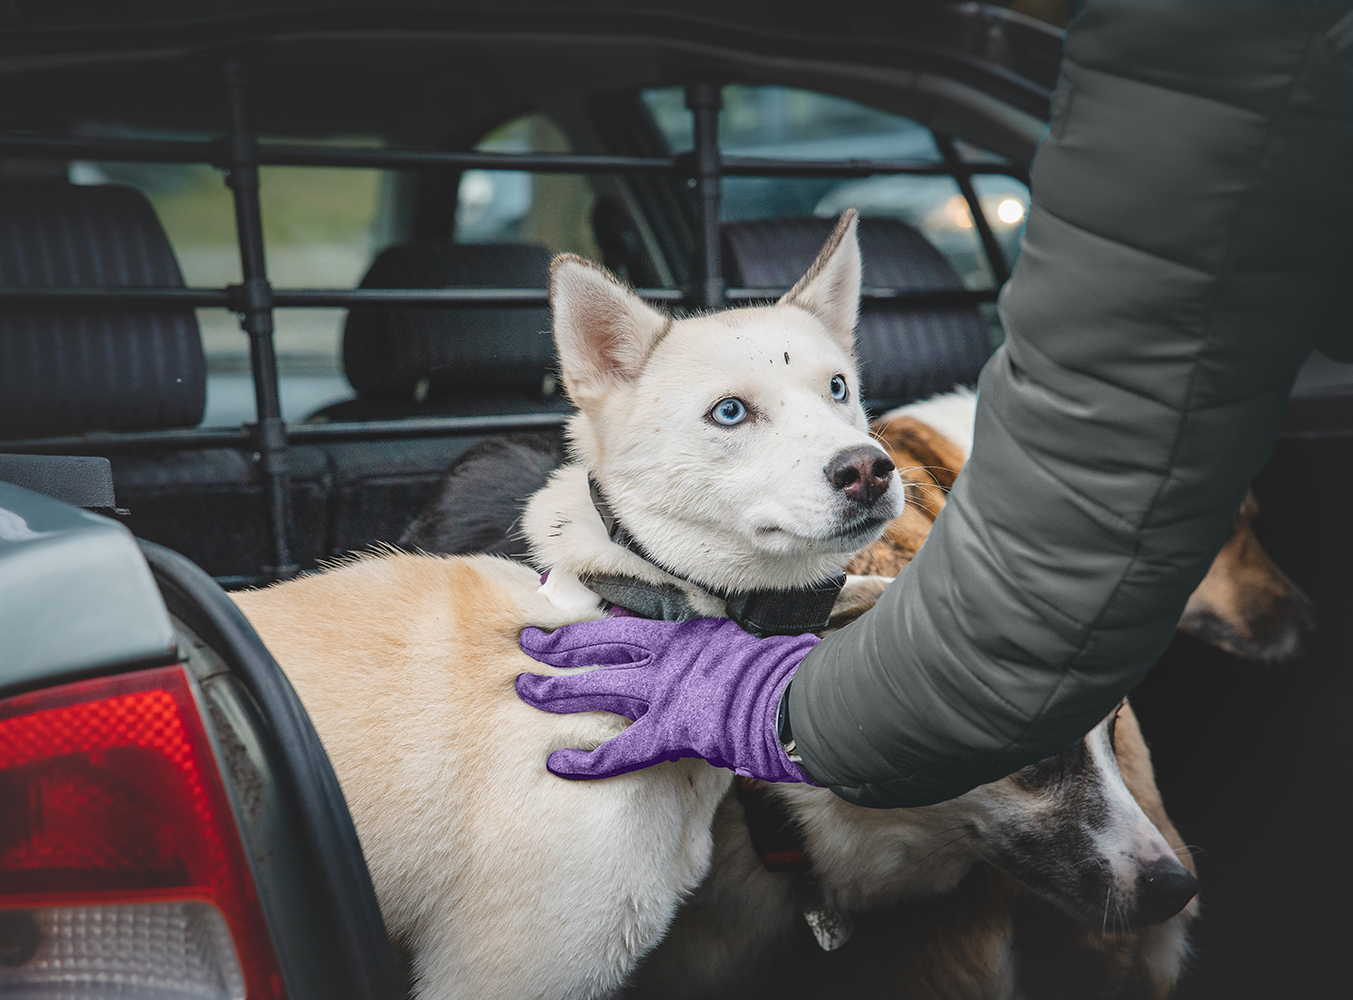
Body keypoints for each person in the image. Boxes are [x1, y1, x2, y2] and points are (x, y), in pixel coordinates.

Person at [515, 0, 1353, 808]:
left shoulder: (1214, 71)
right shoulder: (1250, 74)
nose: (860, 452)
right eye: (733, 410)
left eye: (837, 387)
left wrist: (776, 712)